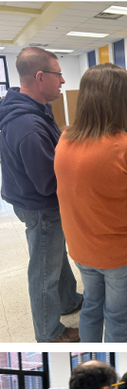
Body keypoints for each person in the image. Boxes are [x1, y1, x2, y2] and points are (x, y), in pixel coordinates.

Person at [54, 63, 127, 342]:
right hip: (121, 253)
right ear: (124, 100)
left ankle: (93, 364)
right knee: (118, 318)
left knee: (91, 307)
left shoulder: (64, 139)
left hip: (81, 247)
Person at [0, 46, 83, 342]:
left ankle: (69, 300)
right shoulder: (27, 125)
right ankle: (49, 333)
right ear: (39, 77)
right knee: (44, 272)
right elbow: (48, 182)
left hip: (31, 200)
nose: (62, 81)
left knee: (55, 256)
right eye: (58, 75)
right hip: (40, 205)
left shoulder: (33, 109)